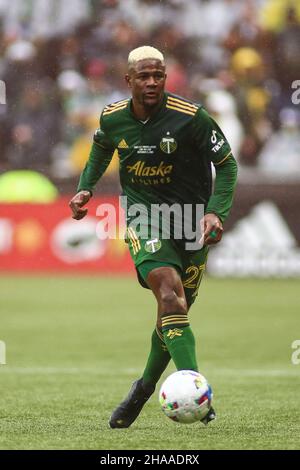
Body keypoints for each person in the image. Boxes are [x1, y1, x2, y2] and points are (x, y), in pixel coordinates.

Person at [69, 46, 238, 428]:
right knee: (168, 293)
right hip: (144, 218)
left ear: (166, 78)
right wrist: (85, 188)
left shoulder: (191, 117)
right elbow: (100, 149)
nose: (151, 83)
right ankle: (199, 392)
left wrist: (215, 211)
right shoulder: (112, 118)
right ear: (128, 79)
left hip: (190, 223)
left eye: (158, 76)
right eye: (143, 76)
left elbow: (227, 165)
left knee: (174, 313)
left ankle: (144, 388)